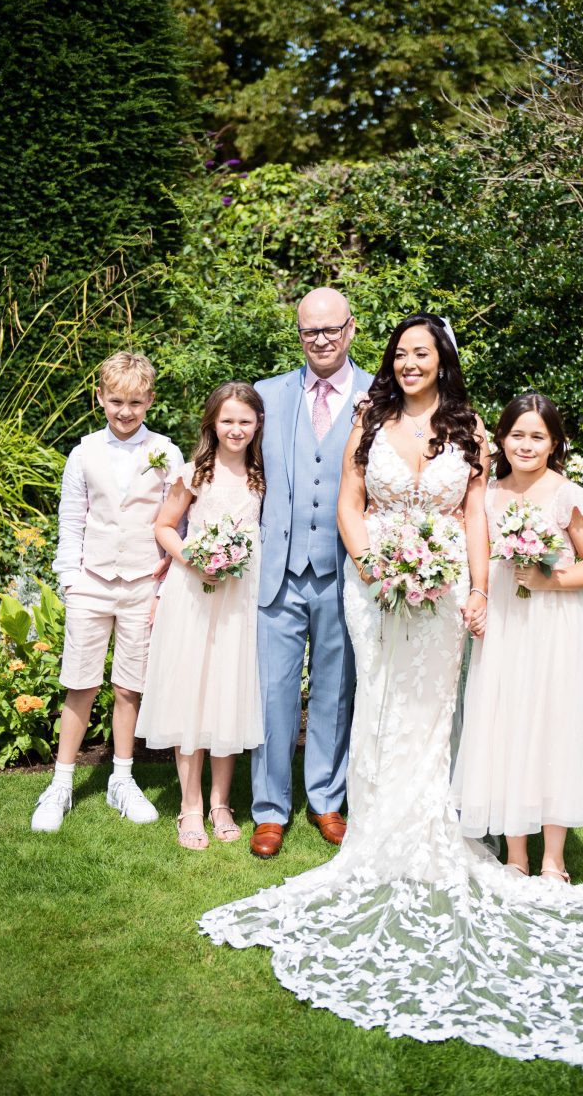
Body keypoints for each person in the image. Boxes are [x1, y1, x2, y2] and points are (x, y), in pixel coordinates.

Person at [198, 316, 583, 1067]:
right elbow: (350, 504)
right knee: (376, 701)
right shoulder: (370, 416)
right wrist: (372, 565)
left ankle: (433, 821)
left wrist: (478, 590)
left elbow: (473, 517)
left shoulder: (471, 428)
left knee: (433, 707)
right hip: (374, 584)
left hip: (446, 583)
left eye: (422, 353)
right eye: (401, 354)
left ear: (442, 360)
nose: (410, 363)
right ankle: (371, 827)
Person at [451, 392, 583, 879]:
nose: (526, 445)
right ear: (501, 439)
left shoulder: (567, 496)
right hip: (505, 624)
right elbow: (477, 560)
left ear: (554, 443)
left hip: (555, 626)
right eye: (517, 435)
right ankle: (516, 854)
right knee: (507, 725)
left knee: (553, 727)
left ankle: (554, 859)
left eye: (537, 437)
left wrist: (550, 581)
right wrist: (478, 601)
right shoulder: (487, 496)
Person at [31, 352, 184, 833]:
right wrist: (70, 580)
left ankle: (122, 778)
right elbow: (71, 519)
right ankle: (61, 783)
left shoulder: (166, 452)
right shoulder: (83, 453)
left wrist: (163, 586)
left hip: (143, 584)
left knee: (128, 686)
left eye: (135, 402)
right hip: (92, 583)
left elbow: (177, 521)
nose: (125, 411)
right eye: (116, 401)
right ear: (100, 398)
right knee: (80, 682)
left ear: (150, 401)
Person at [249, 287, 372, 858]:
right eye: (309, 331)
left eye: (331, 329)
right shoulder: (267, 395)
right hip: (278, 570)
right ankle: (269, 809)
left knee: (335, 691)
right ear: (298, 334)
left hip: (344, 571)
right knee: (272, 693)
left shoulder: (380, 395)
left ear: (350, 329)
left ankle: (326, 799)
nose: (320, 340)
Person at [135, 383, 265, 849]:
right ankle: (189, 806)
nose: (236, 429)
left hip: (239, 598)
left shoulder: (262, 475)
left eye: (245, 421)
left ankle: (220, 803)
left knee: (227, 693)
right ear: (212, 422)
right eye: (227, 420)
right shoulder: (194, 473)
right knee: (191, 694)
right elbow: (165, 526)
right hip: (194, 593)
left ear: (257, 425)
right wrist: (193, 557)